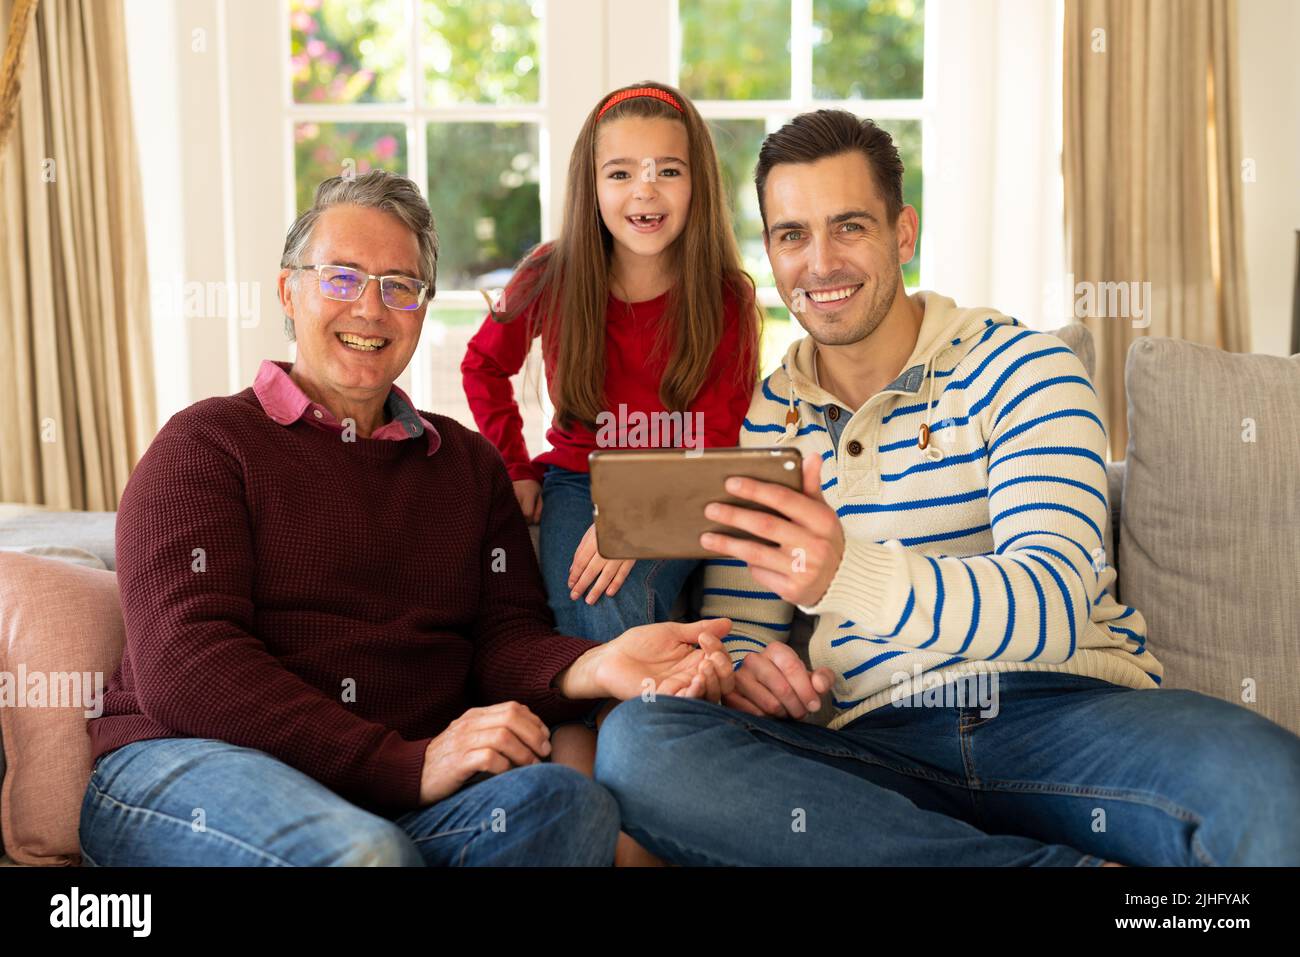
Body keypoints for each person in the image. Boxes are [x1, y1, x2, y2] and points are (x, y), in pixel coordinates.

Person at [593, 109, 1300, 866]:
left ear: (903, 233)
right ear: (769, 251)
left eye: (849, 227)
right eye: (792, 235)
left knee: (1268, 788)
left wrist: (845, 575)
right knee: (642, 742)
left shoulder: (1024, 369)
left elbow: (1052, 605)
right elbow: (744, 633)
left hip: (1067, 715)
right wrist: (755, 676)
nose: (820, 262)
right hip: (874, 743)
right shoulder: (773, 412)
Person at [79, 169, 734, 867]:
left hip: (398, 800)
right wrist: (403, 763)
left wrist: (599, 663)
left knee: (567, 807)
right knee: (365, 852)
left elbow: (501, 639)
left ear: (422, 309)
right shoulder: (206, 443)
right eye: (341, 278)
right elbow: (187, 666)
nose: (370, 308)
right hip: (190, 767)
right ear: (287, 292)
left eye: (400, 286)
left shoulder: (466, 467)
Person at [460, 82, 760, 816]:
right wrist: (514, 465)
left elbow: (716, 443)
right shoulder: (551, 272)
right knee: (591, 587)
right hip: (576, 482)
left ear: (698, 183)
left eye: (668, 169)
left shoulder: (726, 297)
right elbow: (482, 365)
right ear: (590, 185)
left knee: (620, 581)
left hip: (684, 489)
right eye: (619, 172)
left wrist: (638, 517)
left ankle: (634, 783)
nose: (644, 190)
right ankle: (625, 782)